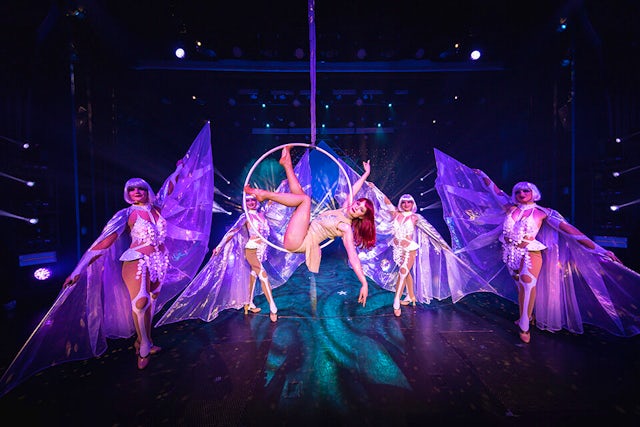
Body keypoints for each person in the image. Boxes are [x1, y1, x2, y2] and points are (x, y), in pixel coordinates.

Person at [0, 123, 215, 396]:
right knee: (140, 303)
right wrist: (78, 270)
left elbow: (172, 185)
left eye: (140, 188)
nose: (136, 192)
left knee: (150, 304)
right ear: (127, 194)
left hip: (160, 262)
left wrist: (182, 167)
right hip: (136, 260)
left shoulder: (158, 208)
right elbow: (102, 243)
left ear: (146, 190)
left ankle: (145, 341)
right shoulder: (126, 214)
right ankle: (144, 346)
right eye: (131, 190)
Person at [434, 148, 640, 343]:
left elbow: (571, 232)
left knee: (527, 283)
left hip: (530, 252)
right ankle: (528, 315)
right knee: (520, 286)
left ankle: (524, 326)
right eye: (518, 191)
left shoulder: (542, 212)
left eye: (526, 190)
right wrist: (481, 175)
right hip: (509, 254)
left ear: (534, 193)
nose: (522, 193)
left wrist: (601, 250)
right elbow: (494, 190)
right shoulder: (509, 208)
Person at [244, 145, 376, 306]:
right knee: (300, 194)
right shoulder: (343, 209)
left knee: (305, 200)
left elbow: (353, 256)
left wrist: (364, 283)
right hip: (300, 232)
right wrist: (366, 174)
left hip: (299, 242)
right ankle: (287, 164)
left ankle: (263, 194)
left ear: (362, 217)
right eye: (358, 203)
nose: (357, 207)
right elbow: (352, 190)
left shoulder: (346, 227)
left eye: (361, 209)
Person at [157, 193, 280, 326]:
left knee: (253, 275)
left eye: (253, 200)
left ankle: (249, 303)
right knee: (263, 275)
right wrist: (220, 246)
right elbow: (232, 231)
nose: (251, 203)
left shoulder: (262, 214)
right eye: (248, 200)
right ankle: (273, 308)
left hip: (262, 251)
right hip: (252, 250)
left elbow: (273, 199)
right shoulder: (246, 217)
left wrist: (284, 186)